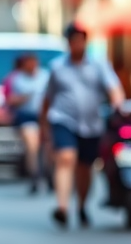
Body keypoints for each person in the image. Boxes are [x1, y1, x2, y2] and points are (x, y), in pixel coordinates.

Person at [40, 23, 125, 229]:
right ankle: (62, 207)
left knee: (84, 167)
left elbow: (114, 89)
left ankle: (81, 206)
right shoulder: (57, 67)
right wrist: (44, 127)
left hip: (92, 124)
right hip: (63, 120)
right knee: (66, 158)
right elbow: (47, 99)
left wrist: (119, 106)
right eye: (73, 41)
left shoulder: (99, 65)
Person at [7, 52, 50, 194]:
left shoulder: (46, 76)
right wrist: (24, 98)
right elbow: (11, 100)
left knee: (49, 148)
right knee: (32, 146)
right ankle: (35, 176)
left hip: (46, 117)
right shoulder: (18, 79)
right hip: (27, 116)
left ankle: (49, 175)